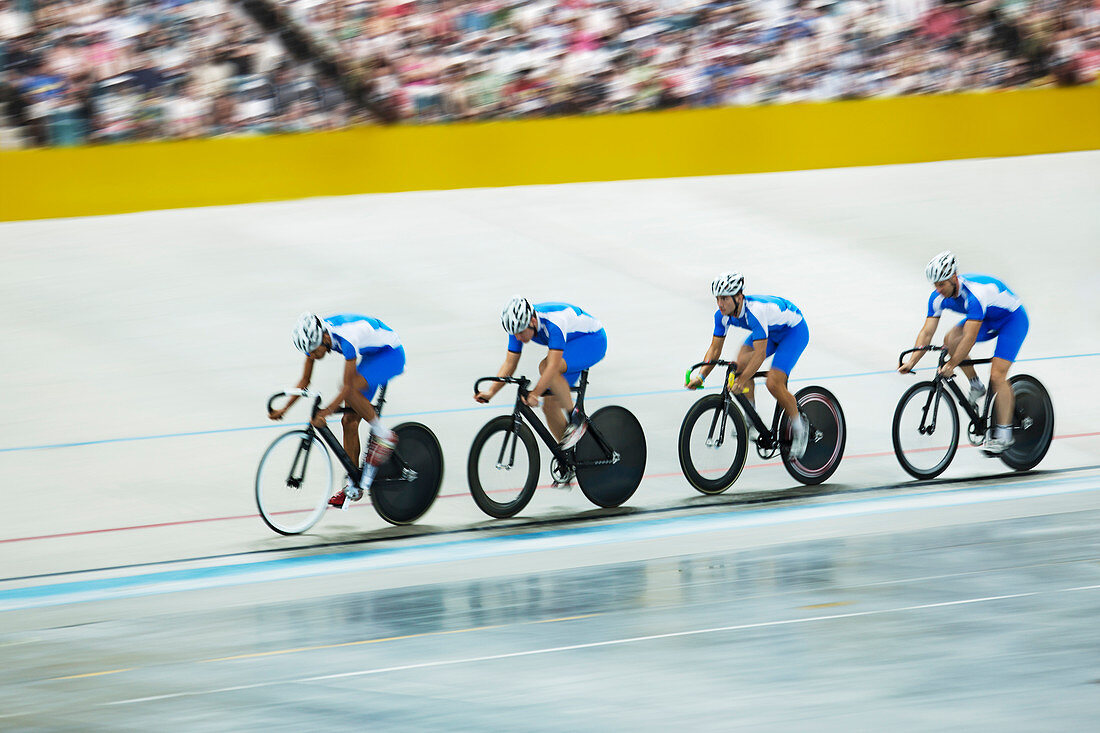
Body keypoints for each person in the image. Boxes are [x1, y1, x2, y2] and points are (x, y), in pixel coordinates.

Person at [898, 251, 1028, 453]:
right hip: (986, 318)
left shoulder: (975, 295)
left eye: (942, 284)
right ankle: (976, 385)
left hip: (1012, 319)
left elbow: (969, 339)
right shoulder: (937, 298)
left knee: (997, 375)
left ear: (953, 277)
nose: (938, 289)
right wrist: (912, 362)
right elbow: (927, 332)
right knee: (950, 340)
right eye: (935, 285)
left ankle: (1004, 435)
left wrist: (951, 366)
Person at [270, 312, 404, 505]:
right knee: (348, 421)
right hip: (372, 356)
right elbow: (305, 380)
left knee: (348, 390)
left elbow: (348, 388)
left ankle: (384, 435)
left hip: (391, 354)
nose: (313, 356)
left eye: (314, 351)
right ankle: (353, 484)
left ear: (324, 338)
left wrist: (326, 411)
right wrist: (285, 409)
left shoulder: (347, 337)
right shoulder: (316, 339)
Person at [686, 272, 810, 460]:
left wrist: (741, 381)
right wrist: (701, 377)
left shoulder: (755, 311)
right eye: (718, 298)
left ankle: (800, 428)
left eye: (725, 299)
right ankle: (751, 415)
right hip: (768, 331)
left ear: (738, 297)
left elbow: (759, 355)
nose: (720, 304)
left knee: (774, 383)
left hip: (792, 332)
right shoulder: (722, 316)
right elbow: (714, 349)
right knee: (740, 365)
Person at [475, 296, 607, 451]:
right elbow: (510, 363)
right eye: (514, 334)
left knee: (545, 367)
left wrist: (535, 393)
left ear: (532, 321)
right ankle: (570, 459)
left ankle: (576, 419)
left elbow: (552, 367)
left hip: (592, 341)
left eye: (520, 332)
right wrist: (491, 392)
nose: (517, 337)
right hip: (570, 348)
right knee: (549, 407)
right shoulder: (518, 326)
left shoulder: (554, 322)